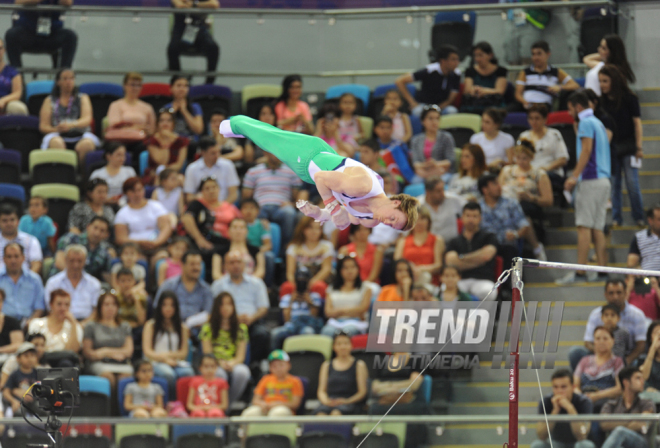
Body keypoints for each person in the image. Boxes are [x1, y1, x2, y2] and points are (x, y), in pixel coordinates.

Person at [220, 115, 419, 232]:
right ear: (396, 203)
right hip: (310, 156)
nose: (387, 223)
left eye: (392, 226)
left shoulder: (371, 219)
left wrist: (318, 213)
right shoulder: (364, 186)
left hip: (312, 168)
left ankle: (241, 128)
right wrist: (333, 208)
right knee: (269, 138)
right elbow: (321, 178)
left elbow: (343, 218)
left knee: (269, 140)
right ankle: (231, 124)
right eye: (393, 218)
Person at [556, 92, 612, 284]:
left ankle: (580, 273)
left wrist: (574, 176)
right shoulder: (597, 122)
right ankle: (602, 270)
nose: (569, 112)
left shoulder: (586, 123)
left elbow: (586, 151)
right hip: (603, 180)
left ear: (577, 107)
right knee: (597, 227)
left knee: (583, 226)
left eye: (570, 108)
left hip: (590, 180)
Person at [599, 64, 645, 227]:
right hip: (612, 147)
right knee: (614, 184)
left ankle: (639, 216)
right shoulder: (602, 101)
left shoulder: (629, 97)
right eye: (600, 81)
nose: (602, 85)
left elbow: (637, 123)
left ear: (614, 81)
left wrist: (639, 147)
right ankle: (617, 218)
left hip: (629, 145)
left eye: (605, 81)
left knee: (632, 183)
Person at [569, 278, 648, 372]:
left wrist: (624, 362)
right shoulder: (595, 314)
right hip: (599, 355)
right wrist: (603, 355)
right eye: (611, 293)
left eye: (619, 292)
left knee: (642, 360)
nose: (615, 297)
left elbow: (641, 345)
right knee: (575, 352)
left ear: (626, 293)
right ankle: (581, 383)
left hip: (627, 357)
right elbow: (588, 342)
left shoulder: (637, 314)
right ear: (605, 295)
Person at [210, 251, 269, 362]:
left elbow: (263, 308)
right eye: (231, 262)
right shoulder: (218, 285)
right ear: (225, 266)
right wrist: (233, 318)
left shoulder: (257, 283)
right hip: (225, 324)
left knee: (262, 334)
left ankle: (253, 366)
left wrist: (252, 318)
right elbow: (213, 309)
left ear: (245, 265)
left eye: (239, 262)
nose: (236, 265)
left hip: (251, 323)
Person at [242, 151, 304, 253]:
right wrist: (254, 207)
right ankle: (254, 249)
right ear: (266, 153)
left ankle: (285, 250)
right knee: (251, 212)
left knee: (289, 213)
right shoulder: (253, 171)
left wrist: (291, 204)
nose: (277, 155)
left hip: (281, 207)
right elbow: (246, 197)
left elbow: (297, 197)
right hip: (260, 206)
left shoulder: (291, 172)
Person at [478, 173, 547, 261]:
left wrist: (516, 234)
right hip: (485, 245)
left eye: (499, 183)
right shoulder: (477, 207)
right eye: (495, 184)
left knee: (509, 251)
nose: (499, 186)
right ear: (485, 190)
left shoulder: (511, 203)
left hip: (506, 244)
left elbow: (524, 224)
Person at [181, 177, 241, 275]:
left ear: (219, 189)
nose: (211, 191)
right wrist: (199, 239)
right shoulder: (197, 204)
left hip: (227, 243)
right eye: (207, 188)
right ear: (202, 192)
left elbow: (241, 222)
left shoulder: (229, 207)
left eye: (214, 187)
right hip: (205, 243)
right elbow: (186, 218)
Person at [199, 292, 251, 404]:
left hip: (233, 362)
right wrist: (219, 363)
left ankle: (227, 404)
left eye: (229, 304)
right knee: (219, 374)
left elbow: (241, 356)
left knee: (243, 372)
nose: (225, 308)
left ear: (233, 307)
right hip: (214, 363)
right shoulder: (207, 328)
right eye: (222, 304)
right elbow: (207, 353)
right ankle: (218, 403)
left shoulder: (241, 328)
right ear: (216, 307)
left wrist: (232, 363)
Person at [498, 140, 553, 243]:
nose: (520, 162)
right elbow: (498, 190)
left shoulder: (539, 174)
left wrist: (531, 198)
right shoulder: (507, 171)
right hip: (507, 203)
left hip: (528, 205)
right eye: (518, 158)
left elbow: (548, 200)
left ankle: (535, 246)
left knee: (521, 213)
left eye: (524, 158)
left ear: (531, 158)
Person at [38, 68, 98, 163]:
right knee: (56, 143)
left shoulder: (83, 98)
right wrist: (58, 129)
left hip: (80, 134)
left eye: (71, 78)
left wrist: (71, 125)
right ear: (58, 82)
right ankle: (64, 174)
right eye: (65, 79)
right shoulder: (49, 100)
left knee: (86, 145)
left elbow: (87, 119)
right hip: (57, 133)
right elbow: (43, 126)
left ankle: (83, 175)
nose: (68, 82)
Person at [142, 291, 194, 395]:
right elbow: (147, 351)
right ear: (160, 306)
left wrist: (170, 358)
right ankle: (170, 402)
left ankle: (181, 404)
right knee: (168, 374)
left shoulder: (182, 327)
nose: (168, 308)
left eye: (171, 305)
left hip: (176, 362)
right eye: (165, 305)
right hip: (156, 361)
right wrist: (164, 359)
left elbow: (183, 352)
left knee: (188, 373)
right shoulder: (150, 325)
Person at [445, 202, 499, 301]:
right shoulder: (454, 241)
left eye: (474, 216)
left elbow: (486, 256)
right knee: (445, 290)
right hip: (460, 280)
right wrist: (478, 260)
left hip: (483, 280)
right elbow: (451, 262)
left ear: (480, 218)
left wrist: (461, 258)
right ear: (462, 218)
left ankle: (482, 316)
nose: (471, 219)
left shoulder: (489, 237)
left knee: (489, 291)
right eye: (468, 216)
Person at [530, 369, 595, 448]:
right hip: (555, 443)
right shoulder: (546, 402)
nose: (559, 391)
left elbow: (582, 435)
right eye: (555, 387)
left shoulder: (584, 402)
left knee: (586, 445)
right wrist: (555, 411)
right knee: (537, 445)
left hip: (576, 444)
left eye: (563, 387)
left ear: (573, 387)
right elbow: (541, 435)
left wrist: (570, 408)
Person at [4, 0, 77, 69]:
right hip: (28, 33)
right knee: (11, 35)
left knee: (70, 36)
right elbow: (18, 2)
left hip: (52, 34)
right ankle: (18, 77)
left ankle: (64, 76)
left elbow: (68, 2)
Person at [114, 177, 172, 265]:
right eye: (133, 191)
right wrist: (139, 242)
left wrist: (157, 242)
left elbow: (166, 227)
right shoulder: (122, 213)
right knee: (139, 261)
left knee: (161, 258)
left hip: (157, 246)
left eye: (140, 190)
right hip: (134, 249)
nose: (137, 194)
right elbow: (120, 238)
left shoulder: (156, 206)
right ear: (126, 193)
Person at [82, 292, 134, 389]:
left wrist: (104, 352)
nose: (110, 307)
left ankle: (123, 404)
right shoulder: (91, 326)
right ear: (100, 307)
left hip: (121, 362)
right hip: (99, 363)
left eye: (113, 304)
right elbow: (88, 353)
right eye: (106, 304)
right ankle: (108, 404)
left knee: (125, 378)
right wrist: (110, 353)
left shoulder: (124, 326)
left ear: (118, 307)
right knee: (108, 377)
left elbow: (128, 351)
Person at [395, 44, 460, 117]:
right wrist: (412, 102)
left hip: (442, 107)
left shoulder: (456, 74)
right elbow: (400, 81)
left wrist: (437, 108)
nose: (457, 63)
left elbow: (451, 99)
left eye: (457, 59)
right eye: (453, 59)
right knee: (417, 112)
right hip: (424, 105)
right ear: (443, 61)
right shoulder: (429, 70)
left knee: (452, 111)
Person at [154, 251, 213, 331]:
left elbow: (209, 314)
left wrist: (191, 324)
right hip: (171, 329)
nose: (196, 268)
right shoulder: (169, 285)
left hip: (198, 331)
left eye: (198, 264)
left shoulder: (206, 289)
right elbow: (157, 308)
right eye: (192, 264)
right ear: (182, 265)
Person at [514, 41, 579, 110]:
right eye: (533, 54)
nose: (535, 57)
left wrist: (560, 87)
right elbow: (518, 94)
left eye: (539, 54)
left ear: (548, 54)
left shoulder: (556, 71)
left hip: (544, 106)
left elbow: (575, 85)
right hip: (527, 104)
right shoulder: (525, 72)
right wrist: (524, 102)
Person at [599, 366, 654, 448]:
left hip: (640, 443)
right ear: (626, 382)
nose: (643, 382)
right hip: (618, 443)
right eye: (638, 378)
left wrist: (617, 424)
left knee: (620, 431)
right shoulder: (611, 404)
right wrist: (632, 420)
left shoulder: (647, 403)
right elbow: (604, 423)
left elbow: (642, 423)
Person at [518, 104, 569, 192]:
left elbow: (563, 159)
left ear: (545, 119)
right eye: (531, 118)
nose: (534, 122)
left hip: (549, 172)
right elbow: (518, 158)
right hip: (529, 172)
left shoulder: (554, 134)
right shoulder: (524, 136)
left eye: (537, 118)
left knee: (538, 176)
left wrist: (546, 168)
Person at [315, 331, 368, 415]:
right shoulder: (326, 365)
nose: (342, 347)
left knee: (336, 413)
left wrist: (347, 401)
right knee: (321, 414)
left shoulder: (359, 365)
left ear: (351, 345)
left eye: (346, 343)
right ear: (334, 347)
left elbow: (362, 392)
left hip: (351, 402)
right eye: (339, 344)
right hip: (331, 401)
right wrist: (326, 401)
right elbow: (321, 391)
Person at [271, 267, 324, 350]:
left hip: (307, 324)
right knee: (275, 333)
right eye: (299, 280)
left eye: (304, 280)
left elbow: (314, 316)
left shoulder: (315, 297)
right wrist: (291, 301)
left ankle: (305, 360)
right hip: (292, 324)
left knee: (308, 332)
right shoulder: (287, 298)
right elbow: (286, 319)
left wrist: (309, 302)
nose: (301, 282)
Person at [167, 0, 219, 84]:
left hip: (200, 30)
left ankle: (209, 82)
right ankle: (177, 79)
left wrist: (194, 4)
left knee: (213, 48)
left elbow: (214, 4)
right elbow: (179, 5)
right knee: (172, 48)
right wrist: (202, 6)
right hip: (181, 30)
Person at [44, 245, 101, 321]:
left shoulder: (94, 284)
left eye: (79, 261)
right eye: (72, 260)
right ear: (65, 260)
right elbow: (50, 309)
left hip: (87, 325)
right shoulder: (53, 283)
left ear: (85, 261)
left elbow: (96, 311)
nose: (75, 265)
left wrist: (81, 326)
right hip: (60, 321)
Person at [282, 217, 335, 298]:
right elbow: (290, 272)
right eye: (310, 228)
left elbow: (326, 269)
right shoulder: (293, 248)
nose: (314, 232)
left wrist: (310, 284)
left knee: (319, 287)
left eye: (318, 228)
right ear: (303, 229)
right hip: (298, 281)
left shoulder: (327, 246)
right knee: (287, 287)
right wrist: (298, 287)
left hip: (318, 280)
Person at [574, 326, 624, 411]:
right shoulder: (584, 361)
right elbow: (575, 386)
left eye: (605, 338)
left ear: (613, 341)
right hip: (584, 400)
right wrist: (582, 396)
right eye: (598, 338)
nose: (601, 342)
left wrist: (597, 396)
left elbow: (620, 388)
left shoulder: (617, 362)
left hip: (606, 402)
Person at [28, 289, 82, 367]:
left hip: (64, 363)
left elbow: (72, 352)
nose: (63, 308)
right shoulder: (36, 324)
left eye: (66, 305)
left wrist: (73, 323)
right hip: (40, 362)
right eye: (59, 304)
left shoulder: (76, 327)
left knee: (66, 363)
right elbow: (32, 349)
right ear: (51, 305)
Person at [241, 349, 303, 417]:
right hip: (266, 407)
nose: (278, 368)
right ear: (270, 368)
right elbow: (255, 400)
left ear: (288, 365)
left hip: (284, 409)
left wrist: (278, 404)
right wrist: (262, 404)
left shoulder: (295, 381)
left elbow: (295, 404)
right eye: (274, 366)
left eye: (281, 365)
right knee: (250, 413)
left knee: (277, 413)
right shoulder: (265, 379)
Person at [52, 216, 113, 282]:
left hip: (86, 286)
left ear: (107, 235)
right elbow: (59, 262)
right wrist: (75, 278)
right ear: (88, 227)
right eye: (95, 228)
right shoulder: (70, 239)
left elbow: (106, 275)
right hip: (60, 281)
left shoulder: (104, 252)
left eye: (102, 231)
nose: (97, 233)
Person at [394, 207, 444, 284]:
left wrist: (421, 269)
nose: (419, 222)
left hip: (429, 278)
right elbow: (397, 263)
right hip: (408, 277)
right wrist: (410, 267)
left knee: (425, 276)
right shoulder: (403, 241)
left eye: (422, 219)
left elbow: (438, 265)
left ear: (429, 222)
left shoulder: (437, 240)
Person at [323, 256, 371, 336]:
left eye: (353, 267)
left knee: (348, 331)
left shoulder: (366, 288)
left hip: (356, 322)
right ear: (339, 270)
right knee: (327, 332)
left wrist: (339, 311)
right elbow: (328, 312)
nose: (350, 271)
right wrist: (352, 311)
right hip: (336, 322)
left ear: (358, 269)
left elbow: (363, 309)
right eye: (346, 268)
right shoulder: (331, 289)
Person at [183, 136, 239, 204]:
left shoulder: (228, 165)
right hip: (201, 208)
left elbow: (233, 195)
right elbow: (189, 197)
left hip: (223, 207)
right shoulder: (192, 169)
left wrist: (221, 208)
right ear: (203, 153)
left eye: (218, 152)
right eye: (213, 153)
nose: (217, 156)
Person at [0, 243, 45, 326]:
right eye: (9, 257)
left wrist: (31, 322)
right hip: (3, 324)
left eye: (16, 256)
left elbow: (39, 308)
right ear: (4, 259)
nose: (13, 260)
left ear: (23, 258)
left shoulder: (35, 280)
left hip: (28, 324)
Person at [142, 108, 189, 186]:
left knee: (181, 180)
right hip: (154, 174)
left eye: (168, 120)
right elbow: (162, 162)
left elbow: (179, 165)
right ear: (157, 124)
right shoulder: (151, 141)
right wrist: (166, 143)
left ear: (173, 123)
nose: (165, 123)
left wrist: (166, 171)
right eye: (162, 120)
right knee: (159, 178)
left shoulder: (182, 141)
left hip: (174, 173)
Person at [410, 105, 456, 180]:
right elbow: (415, 163)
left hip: (442, 172)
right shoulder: (416, 140)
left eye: (437, 118)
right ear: (423, 121)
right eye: (430, 118)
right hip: (423, 172)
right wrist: (426, 165)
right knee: (415, 182)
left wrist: (436, 164)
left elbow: (450, 160)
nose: (434, 122)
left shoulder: (447, 137)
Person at [107, 72, 156, 141]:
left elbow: (152, 130)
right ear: (125, 86)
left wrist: (129, 128)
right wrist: (138, 127)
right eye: (132, 85)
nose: (135, 88)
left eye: (138, 85)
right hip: (119, 139)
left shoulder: (147, 107)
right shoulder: (115, 105)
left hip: (141, 140)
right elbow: (115, 126)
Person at [461, 42, 508, 114]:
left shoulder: (501, 71)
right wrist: (474, 90)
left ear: (490, 55)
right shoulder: (470, 71)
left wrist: (484, 91)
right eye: (475, 56)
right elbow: (467, 90)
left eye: (480, 55)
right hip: (474, 103)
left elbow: (500, 91)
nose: (477, 59)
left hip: (494, 103)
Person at [501, 0, 550, 66]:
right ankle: (514, 75)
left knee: (528, 58)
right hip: (511, 20)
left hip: (531, 20)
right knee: (512, 59)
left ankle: (527, 75)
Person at [417, 176, 466, 242]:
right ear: (428, 192)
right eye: (438, 191)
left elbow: (471, 209)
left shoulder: (453, 199)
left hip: (452, 244)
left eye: (443, 189)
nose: (442, 193)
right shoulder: (417, 205)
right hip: (428, 245)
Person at [0, 204, 42, 274]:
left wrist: (27, 280)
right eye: (5, 221)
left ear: (18, 221)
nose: (9, 223)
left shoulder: (31, 240)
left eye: (12, 220)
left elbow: (36, 264)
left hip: (25, 281)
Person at [374, 115, 416, 185]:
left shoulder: (400, 145)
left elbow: (406, 164)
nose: (385, 131)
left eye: (388, 127)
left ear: (392, 129)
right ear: (375, 129)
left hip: (400, 179)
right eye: (382, 127)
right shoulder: (373, 146)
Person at [2, 342, 38, 416]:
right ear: (18, 358)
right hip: (19, 402)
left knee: (43, 410)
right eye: (26, 356)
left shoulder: (38, 374)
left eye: (32, 355)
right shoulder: (14, 374)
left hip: (35, 402)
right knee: (19, 410)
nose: (30, 359)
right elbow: (6, 392)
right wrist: (13, 401)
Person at [163, 75, 204, 140]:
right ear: (171, 88)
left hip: (191, 142)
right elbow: (163, 130)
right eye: (178, 85)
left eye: (185, 86)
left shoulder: (195, 107)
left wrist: (184, 111)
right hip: (172, 140)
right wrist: (173, 112)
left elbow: (198, 130)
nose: (182, 89)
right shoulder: (166, 108)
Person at [628, 204, 660, 273]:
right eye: (659, 219)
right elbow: (631, 263)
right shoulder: (639, 237)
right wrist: (636, 268)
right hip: (647, 279)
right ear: (650, 221)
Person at [0, 38, 28, 115]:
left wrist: (3, 100)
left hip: (6, 103)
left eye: (0, 48)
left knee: (19, 108)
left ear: (4, 50)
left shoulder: (13, 72)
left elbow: (17, 93)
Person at [0, 288, 24, 363]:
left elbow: (18, 345)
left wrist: (1, 350)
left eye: (0, 300)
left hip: (7, 360)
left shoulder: (12, 322)